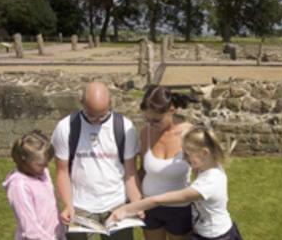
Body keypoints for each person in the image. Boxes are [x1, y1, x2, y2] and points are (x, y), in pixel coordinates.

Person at [108, 126, 243, 240]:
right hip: (203, 232)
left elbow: (157, 200)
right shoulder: (208, 165)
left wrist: (125, 209)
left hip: (218, 236)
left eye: (187, 154)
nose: (184, 158)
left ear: (204, 153)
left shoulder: (209, 183)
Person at [51, 81, 141, 240]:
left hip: (116, 203)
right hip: (80, 206)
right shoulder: (66, 128)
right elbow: (62, 171)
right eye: (92, 115)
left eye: (103, 114)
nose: (98, 121)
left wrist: (136, 203)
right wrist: (67, 205)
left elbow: (130, 172)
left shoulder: (125, 128)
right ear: (81, 103)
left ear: (111, 103)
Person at [138, 86, 198, 240]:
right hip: (149, 206)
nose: (151, 124)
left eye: (156, 120)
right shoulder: (146, 133)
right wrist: (135, 201)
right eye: (147, 119)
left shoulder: (188, 133)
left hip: (179, 209)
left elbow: (203, 173)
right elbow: (142, 170)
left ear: (171, 110)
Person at [3, 130, 65, 240]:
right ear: (24, 160)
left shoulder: (43, 172)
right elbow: (30, 228)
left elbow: (51, 206)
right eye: (41, 164)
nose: (46, 166)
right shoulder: (19, 185)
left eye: (47, 162)